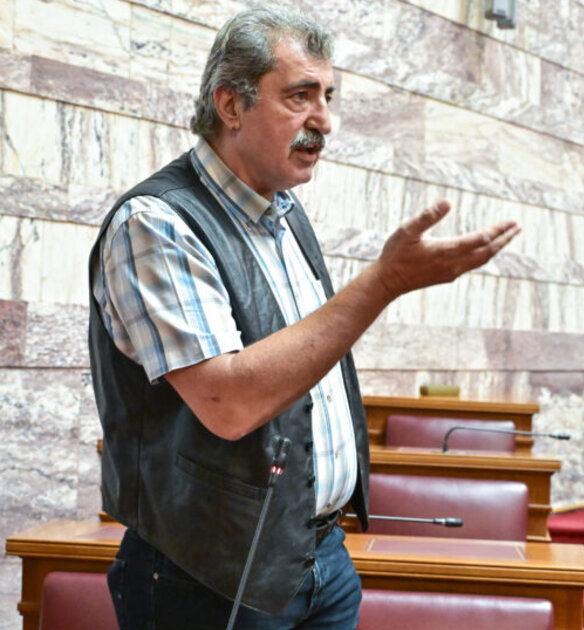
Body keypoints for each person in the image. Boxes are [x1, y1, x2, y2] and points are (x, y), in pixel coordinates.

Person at [88, 6, 520, 629]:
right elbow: (229, 402)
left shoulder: (284, 213)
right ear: (231, 105)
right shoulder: (157, 223)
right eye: (300, 96)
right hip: (210, 575)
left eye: (328, 96)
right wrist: (384, 283)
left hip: (321, 556)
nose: (325, 120)